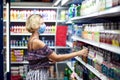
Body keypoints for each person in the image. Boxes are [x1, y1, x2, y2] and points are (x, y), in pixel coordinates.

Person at [25, 14, 88, 80]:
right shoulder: (37, 42)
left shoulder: (31, 39)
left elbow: (35, 57)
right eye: (42, 23)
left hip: (33, 73)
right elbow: (57, 58)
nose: (44, 25)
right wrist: (79, 53)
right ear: (36, 25)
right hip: (38, 75)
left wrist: (47, 59)